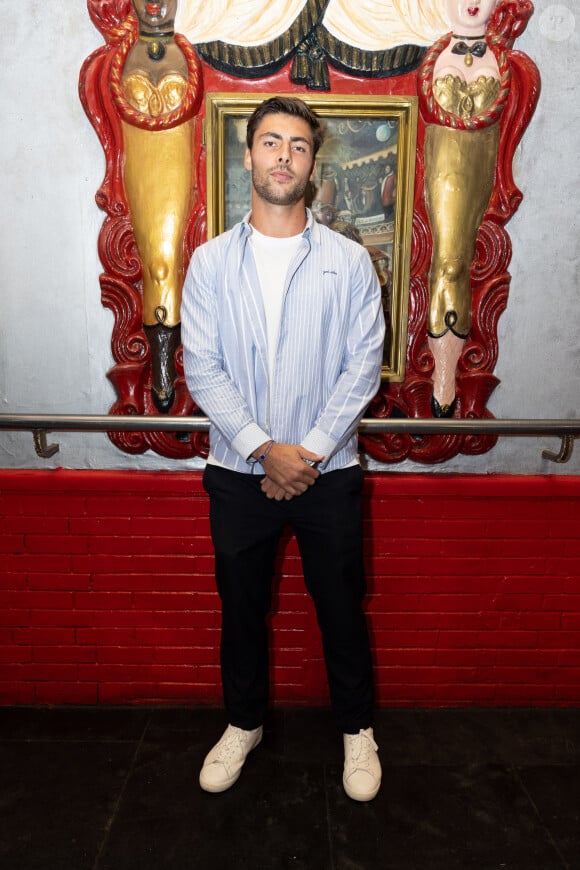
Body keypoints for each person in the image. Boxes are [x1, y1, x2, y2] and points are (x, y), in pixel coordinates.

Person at [181, 96, 385, 802]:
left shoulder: (351, 262)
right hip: (239, 473)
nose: (283, 156)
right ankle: (243, 724)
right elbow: (201, 365)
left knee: (340, 607)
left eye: (298, 146)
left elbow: (363, 364)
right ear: (248, 156)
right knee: (240, 610)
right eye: (270, 142)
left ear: (311, 162)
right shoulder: (210, 263)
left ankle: (357, 732)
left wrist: (309, 454)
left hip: (330, 474)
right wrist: (266, 450)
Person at [111, 0, 201, 412]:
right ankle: (162, 366)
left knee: (172, 260)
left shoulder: (197, 45)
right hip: (145, 160)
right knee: (157, 264)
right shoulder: (114, 56)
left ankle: (181, 361)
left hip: (181, 158)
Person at [419, 0, 509, 417]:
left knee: (465, 258)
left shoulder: (508, 61)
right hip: (444, 162)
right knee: (448, 260)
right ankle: (443, 376)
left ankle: (449, 367)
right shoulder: (427, 51)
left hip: (480, 162)